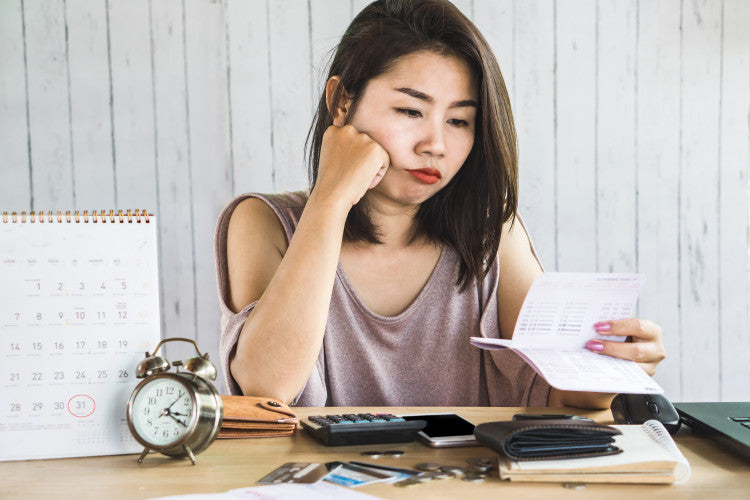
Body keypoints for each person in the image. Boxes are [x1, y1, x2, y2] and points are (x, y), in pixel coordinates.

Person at [215, 0, 665, 408]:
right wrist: (331, 200)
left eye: (459, 120)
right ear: (341, 102)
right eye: (410, 111)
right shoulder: (262, 222)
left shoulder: (491, 233)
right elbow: (266, 391)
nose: (436, 144)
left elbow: (559, 392)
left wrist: (613, 366)